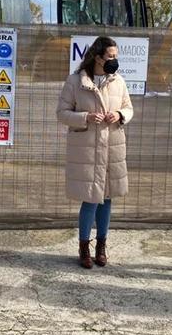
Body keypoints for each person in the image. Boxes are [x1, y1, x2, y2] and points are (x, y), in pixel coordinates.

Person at [57, 36, 134, 268]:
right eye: (110, 57)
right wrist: (86, 117)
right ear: (97, 57)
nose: (114, 61)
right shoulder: (75, 81)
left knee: (107, 198)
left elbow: (129, 108)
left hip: (111, 147)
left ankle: (101, 245)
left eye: (116, 57)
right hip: (88, 149)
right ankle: (83, 247)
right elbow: (61, 113)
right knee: (90, 198)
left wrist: (120, 115)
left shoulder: (118, 81)